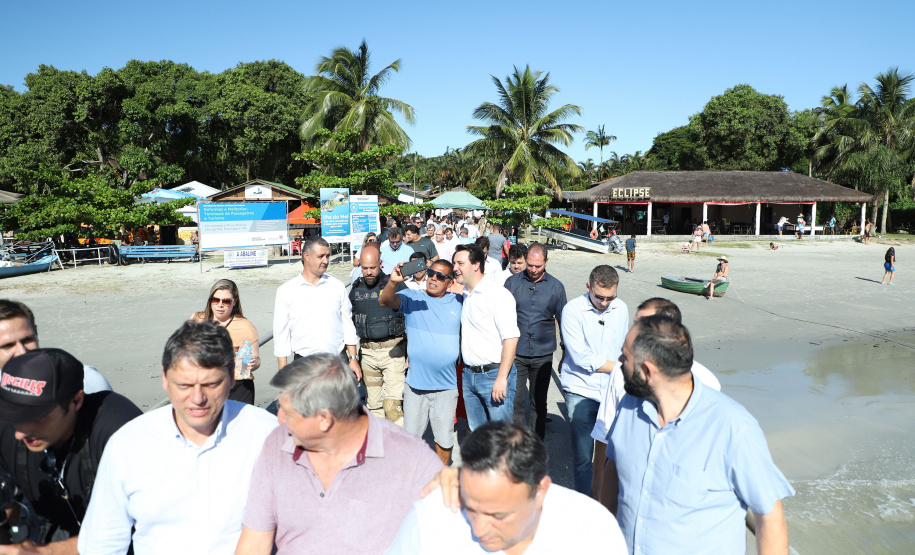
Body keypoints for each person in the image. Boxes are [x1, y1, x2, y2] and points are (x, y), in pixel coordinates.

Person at [78, 322, 277, 554]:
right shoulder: (127, 444)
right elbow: (103, 544)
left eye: (211, 384)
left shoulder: (268, 434)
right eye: (184, 385)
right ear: (164, 377)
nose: (197, 398)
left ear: (232, 378)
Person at [604, 315, 794, 555]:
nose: (619, 361)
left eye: (625, 356)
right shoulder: (628, 407)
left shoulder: (733, 427)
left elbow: (769, 516)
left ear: (647, 370)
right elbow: (611, 471)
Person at [235, 353, 443, 555]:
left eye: (289, 413)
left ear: (324, 418)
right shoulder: (278, 444)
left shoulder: (410, 459)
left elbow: (450, 535)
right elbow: (254, 544)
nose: (279, 420)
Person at [386, 422, 627, 554]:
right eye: (470, 507)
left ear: (540, 491)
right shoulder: (431, 519)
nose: (479, 528)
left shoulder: (592, 530)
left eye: (498, 515)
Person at [0, 348, 141, 553]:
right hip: (56, 528)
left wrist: (43, 552)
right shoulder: (8, 428)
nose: (21, 434)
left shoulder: (120, 432)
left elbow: (139, 529)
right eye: (14, 415)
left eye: (37, 417)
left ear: (76, 401)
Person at [591, 297, 721, 508]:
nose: (634, 331)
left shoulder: (707, 384)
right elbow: (605, 430)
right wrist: (598, 480)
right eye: (635, 323)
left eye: (643, 325)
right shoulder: (621, 371)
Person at [380, 259, 463, 465]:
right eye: (431, 273)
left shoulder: (459, 302)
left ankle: (439, 478)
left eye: (441, 276)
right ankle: (412, 480)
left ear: (449, 282)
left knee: (444, 439)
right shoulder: (411, 297)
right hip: (415, 386)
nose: (433, 278)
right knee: (410, 440)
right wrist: (392, 282)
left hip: (446, 386)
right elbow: (385, 301)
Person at [559, 265, 628, 496]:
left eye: (610, 297)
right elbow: (580, 357)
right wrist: (623, 368)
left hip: (612, 390)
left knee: (611, 455)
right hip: (581, 390)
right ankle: (586, 504)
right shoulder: (571, 310)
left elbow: (623, 348)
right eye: (599, 297)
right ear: (588, 287)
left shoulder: (621, 308)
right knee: (582, 457)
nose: (605, 302)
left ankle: (605, 502)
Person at [273, 236, 361, 380]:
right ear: (306, 256)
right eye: (320, 256)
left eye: (327, 256)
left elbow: (347, 323)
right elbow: (281, 335)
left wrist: (353, 358)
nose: (326, 261)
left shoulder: (337, 286)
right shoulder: (286, 291)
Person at [453, 244, 520, 431]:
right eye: (454, 263)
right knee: (477, 436)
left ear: (476, 265)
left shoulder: (498, 294)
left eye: (460, 263)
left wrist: (501, 378)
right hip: (469, 375)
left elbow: (511, 338)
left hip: (493, 376)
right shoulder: (465, 294)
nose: (455, 268)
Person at [504, 243, 566, 439]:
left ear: (546, 262)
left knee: (539, 401)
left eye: (538, 266)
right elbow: (501, 319)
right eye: (530, 265)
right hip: (516, 353)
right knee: (515, 400)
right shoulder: (512, 283)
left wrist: (565, 355)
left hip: (543, 354)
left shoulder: (556, 287)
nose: (532, 269)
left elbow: (564, 322)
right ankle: (517, 443)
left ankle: (536, 444)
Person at [0, 300, 112, 394]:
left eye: (28, 340)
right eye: (8, 345)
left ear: (36, 332)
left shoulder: (85, 381)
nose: (22, 352)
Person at [349, 244, 407, 425]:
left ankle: (399, 448)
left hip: (393, 352)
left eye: (372, 268)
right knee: (374, 406)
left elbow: (411, 319)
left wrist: (410, 353)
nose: (368, 272)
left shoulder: (395, 285)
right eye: (364, 268)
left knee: (392, 406)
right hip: (367, 354)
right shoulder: (356, 289)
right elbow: (348, 322)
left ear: (380, 264)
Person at [189, 279, 260, 404]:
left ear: (235, 302)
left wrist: (252, 364)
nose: (220, 305)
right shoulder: (197, 319)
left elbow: (256, 359)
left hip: (237, 387)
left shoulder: (245, 326)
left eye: (226, 301)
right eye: (216, 300)